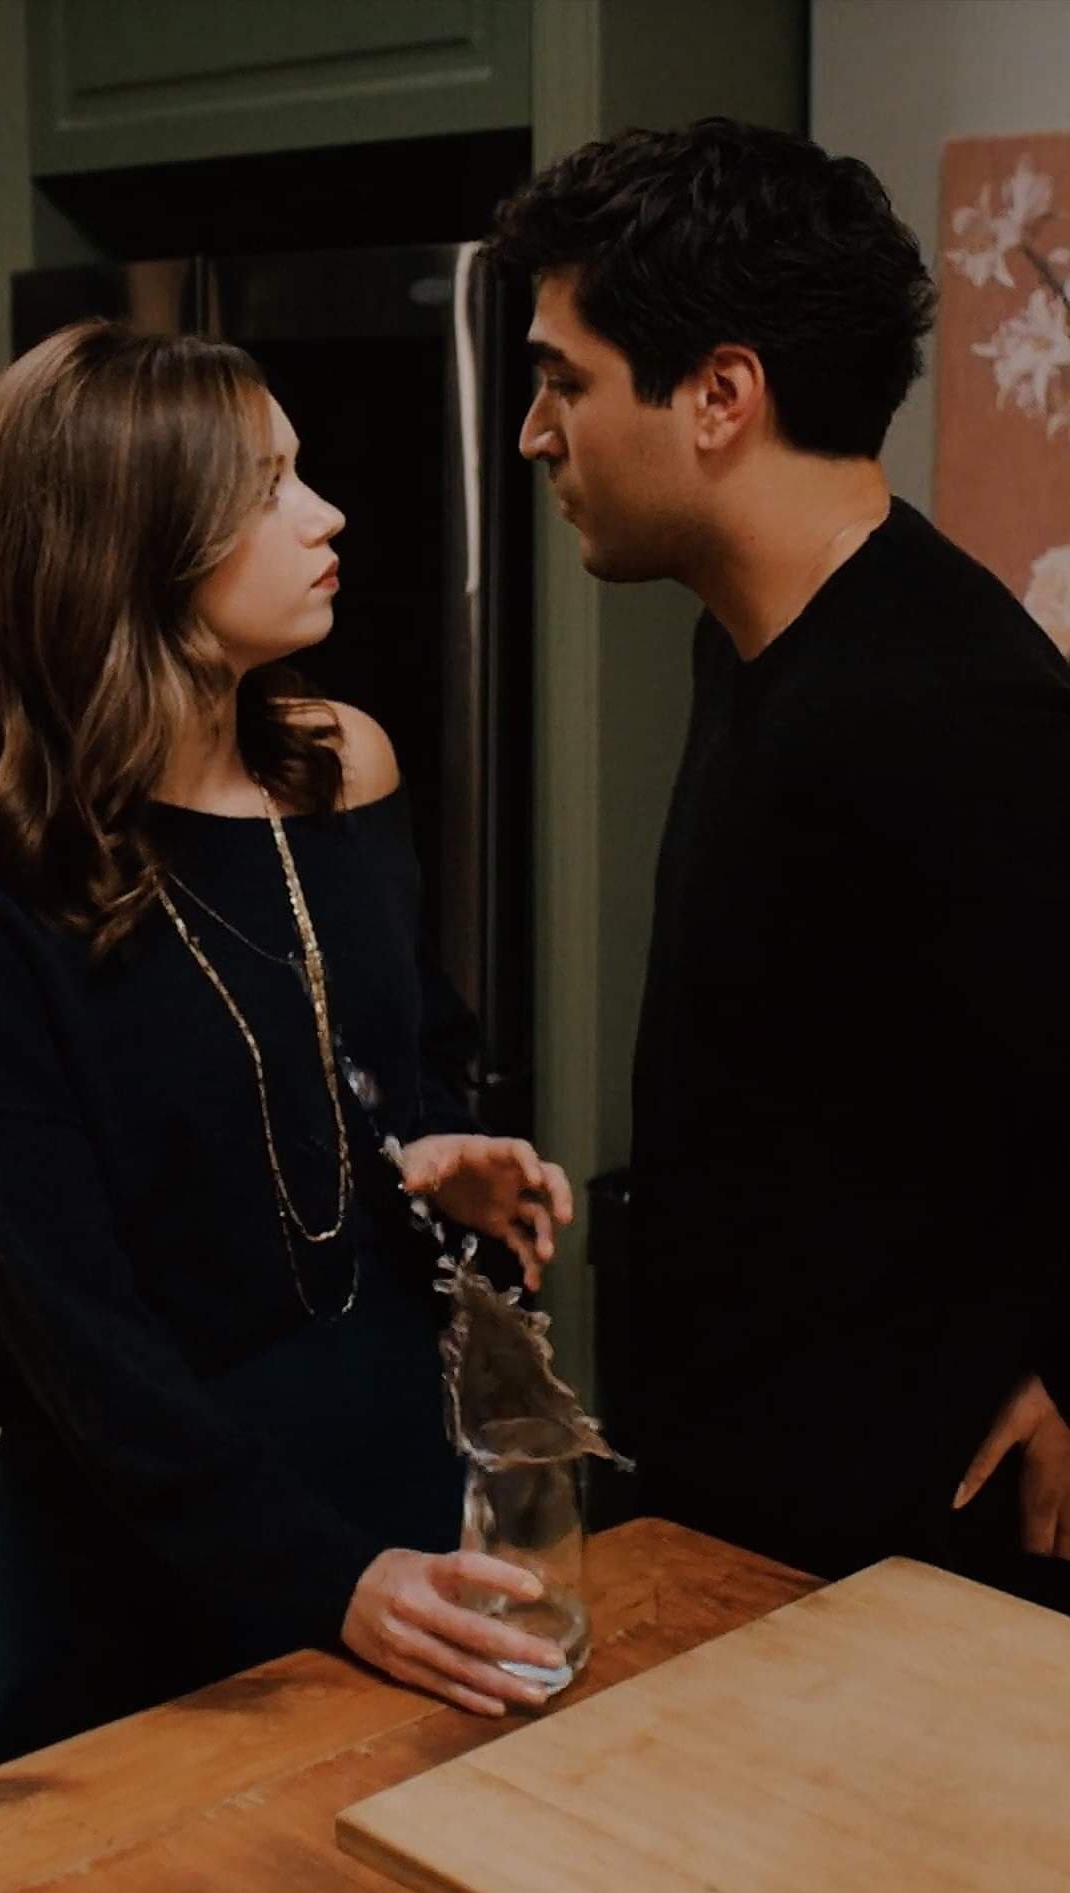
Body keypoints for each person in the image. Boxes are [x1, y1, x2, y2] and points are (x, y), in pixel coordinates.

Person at [486, 118, 1070, 1599]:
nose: (535, 434)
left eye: (564, 381)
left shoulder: (956, 701)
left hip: (904, 1539)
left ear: (721, 396)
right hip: (742, 1493)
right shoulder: (749, 644)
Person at [0, 319, 574, 1767]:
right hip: (152, 1552)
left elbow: (408, 1057)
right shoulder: (14, 879)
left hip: (393, 1470)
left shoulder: (342, 765)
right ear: (137, 541)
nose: (327, 516)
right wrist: (324, 1579)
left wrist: (437, 1155)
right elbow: (73, 1335)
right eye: (267, 490)